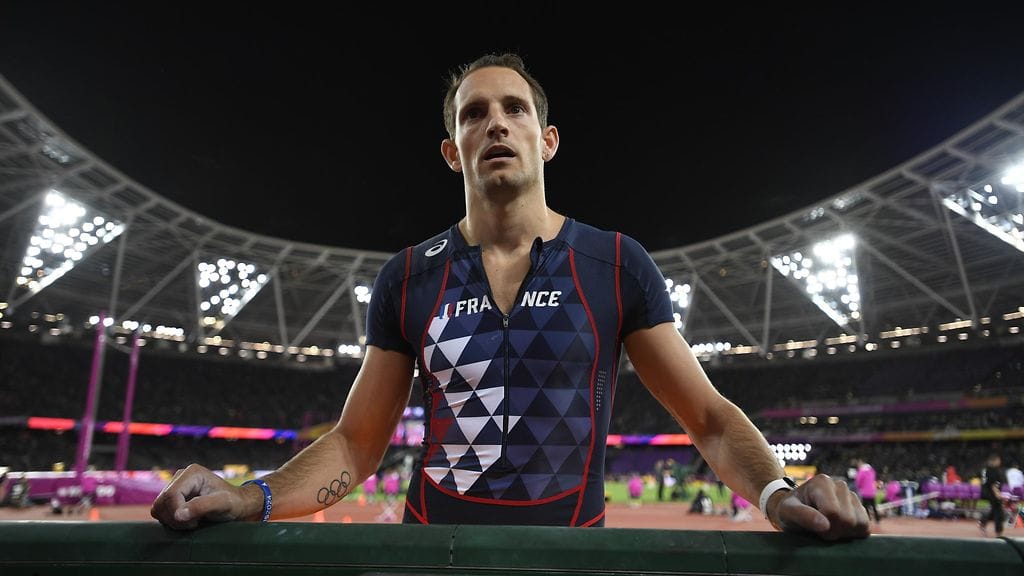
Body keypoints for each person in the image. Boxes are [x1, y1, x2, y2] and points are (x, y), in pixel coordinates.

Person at [150, 52, 870, 540]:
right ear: (451, 150)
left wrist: (779, 492)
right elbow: (356, 445)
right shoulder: (407, 278)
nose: (495, 122)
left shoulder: (617, 264)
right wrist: (254, 496)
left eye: (515, 109)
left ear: (547, 138)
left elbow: (710, 419)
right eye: (472, 114)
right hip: (432, 559)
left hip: (569, 562)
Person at [978, 453, 1007, 536]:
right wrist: (998, 494)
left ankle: (983, 522)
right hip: (992, 494)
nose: (1000, 462)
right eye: (998, 460)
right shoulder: (993, 470)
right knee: (999, 512)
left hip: (988, 492)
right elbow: (993, 484)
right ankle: (999, 531)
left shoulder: (986, 469)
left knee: (994, 510)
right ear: (995, 461)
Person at [853, 458, 881, 523]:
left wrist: (859, 487)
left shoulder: (861, 471)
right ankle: (877, 519)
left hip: (865, 492)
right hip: (872, 491)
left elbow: (858, 481)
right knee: (874, 506)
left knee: (865, 507)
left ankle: (867, 519)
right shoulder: (872, 470)